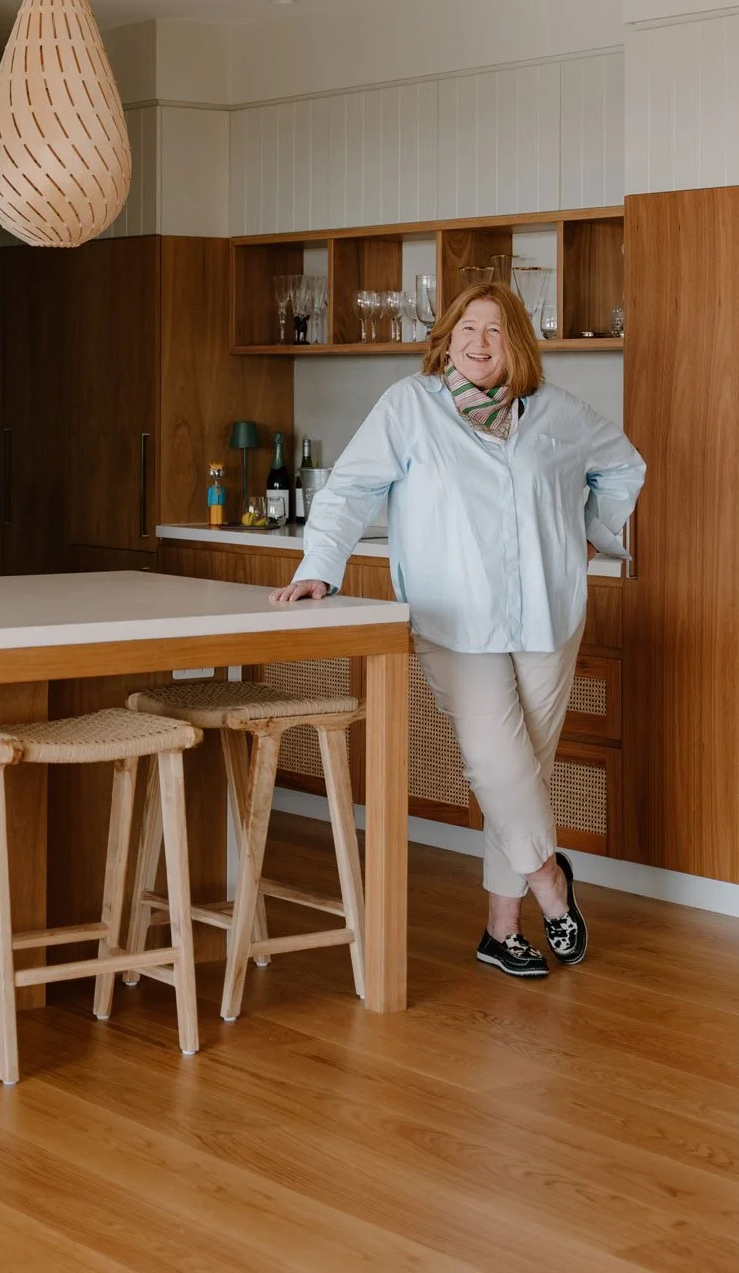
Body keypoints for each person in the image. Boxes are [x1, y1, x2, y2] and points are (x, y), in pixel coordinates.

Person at [270, 281, 645, 979]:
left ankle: (501, 931)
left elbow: (624, 465)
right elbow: (350, 489)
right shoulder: (410, 408)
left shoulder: (559, 415)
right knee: (497, 766)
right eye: (466, 328)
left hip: (548, 616)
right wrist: (322, 565)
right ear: (446, 338)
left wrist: (591, 533)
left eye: (495, 331)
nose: (477, 342)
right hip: (453, 617)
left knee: (522, 774)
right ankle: (551, 887)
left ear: (517, 345)